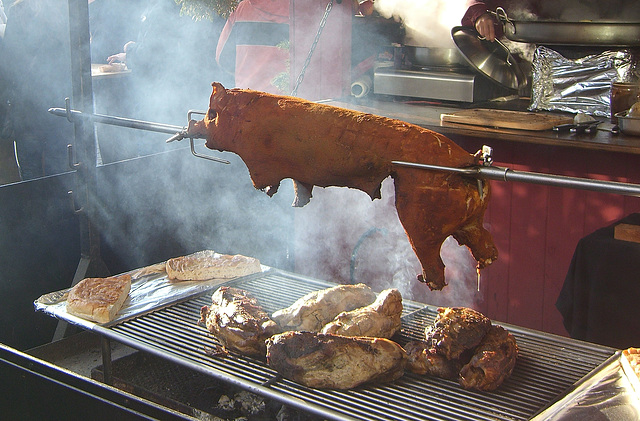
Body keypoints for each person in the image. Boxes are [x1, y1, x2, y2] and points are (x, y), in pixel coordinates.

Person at [0, 0, 74, 180]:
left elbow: (8, 65)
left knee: (30, 172)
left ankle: (36, 207)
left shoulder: (18, 10)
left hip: (27, 109)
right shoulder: (65, 9)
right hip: (58, 105)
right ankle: (61, 206)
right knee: (59, 172)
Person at [215, 0, 289, 94]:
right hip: (286, 98)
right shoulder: (301, 10)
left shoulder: (242, 8)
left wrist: (248, 75)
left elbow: (222, 57)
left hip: (246, 96)